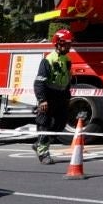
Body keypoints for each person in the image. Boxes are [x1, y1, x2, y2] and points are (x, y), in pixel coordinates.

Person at [32, 28, 75, 164]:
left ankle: (39, 143)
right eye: (66, 44)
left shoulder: (67, 60)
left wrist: (67, 97)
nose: (68, 46)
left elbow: (67, 79)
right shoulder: (48, 60)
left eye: (69, 44)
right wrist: (42, 100)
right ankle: (43, 153)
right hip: (48, 96)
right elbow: (39, 82)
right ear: (58, 43)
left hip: (61, 96)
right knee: (44, 123)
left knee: (60, 123)